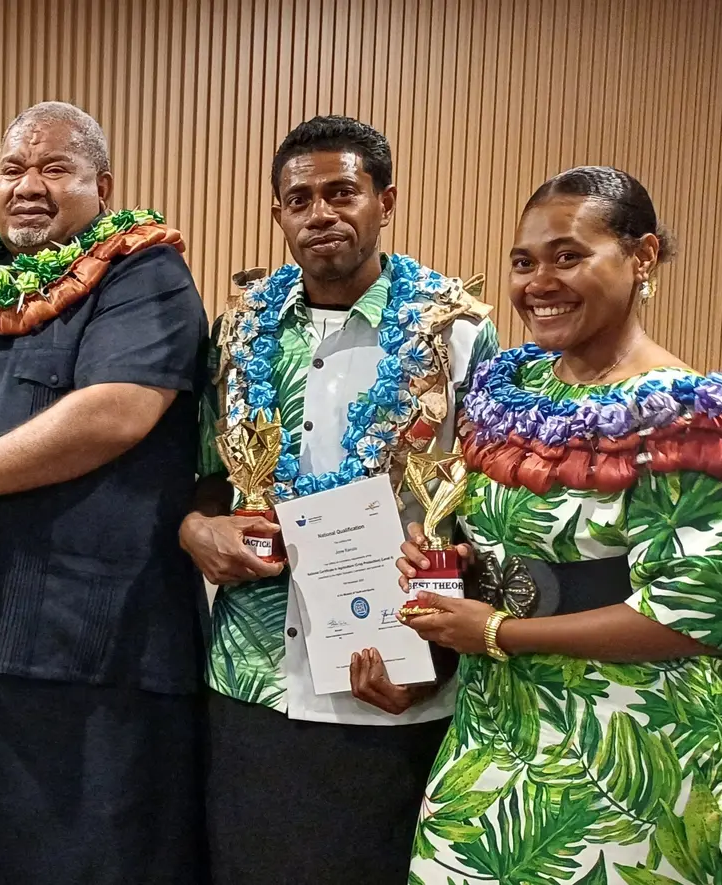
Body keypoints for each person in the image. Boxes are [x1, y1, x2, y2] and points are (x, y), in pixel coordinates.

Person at [398, 166, 722, 885]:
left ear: (643, 257)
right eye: (524, 261)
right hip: (497, 720)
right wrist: (448, 557)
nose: (540, 280)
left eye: (569, 255)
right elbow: (511, 540)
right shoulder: (516, 389)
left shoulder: (689, 412)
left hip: (635, 744)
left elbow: (692, 616)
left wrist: (496, 632)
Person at [0, 101, 208, 884]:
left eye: (54, 168)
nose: (27, 185)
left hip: (100, 631)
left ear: (102, 184)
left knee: (103, 843)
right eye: (12, 169)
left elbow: (116, 410)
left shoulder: (145, 272)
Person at [183, 115, 498, 884]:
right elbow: (198, 483)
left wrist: (440, 657)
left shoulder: (456, 335)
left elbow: (486, 516)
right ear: (278, 213)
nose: (319, 213)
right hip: (254, 675)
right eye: (299, 199)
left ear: (385, 200)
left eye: (342, 192)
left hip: (394, 673)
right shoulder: (237, 335)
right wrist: (198, 531)